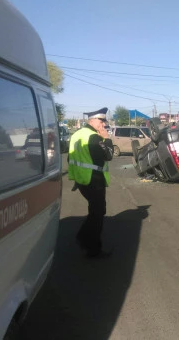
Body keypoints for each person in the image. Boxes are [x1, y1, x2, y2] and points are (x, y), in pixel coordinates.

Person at [68, 107, 114, 258]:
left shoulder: (77, 134)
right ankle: (93, 249)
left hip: (81, 179)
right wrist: (107, 138)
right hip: (94, 180)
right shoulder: (94, 137)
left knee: (94, 212)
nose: (103, 125)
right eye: (101, 121)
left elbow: (70, 158)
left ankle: (83, 238)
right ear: (92, 120)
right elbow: (108, 156)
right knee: (98, 214)